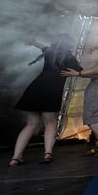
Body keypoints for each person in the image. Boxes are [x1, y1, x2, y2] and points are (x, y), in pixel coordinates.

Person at [10, 35, 82, 166]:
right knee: (50, 123)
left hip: (35, 88)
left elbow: (38, 44)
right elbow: (82, 72)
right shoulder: (70, 58)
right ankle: (47, 153)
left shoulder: (49, 51)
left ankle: (15, 157)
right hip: (52, 91)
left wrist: (32, 41)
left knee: (31, 124)